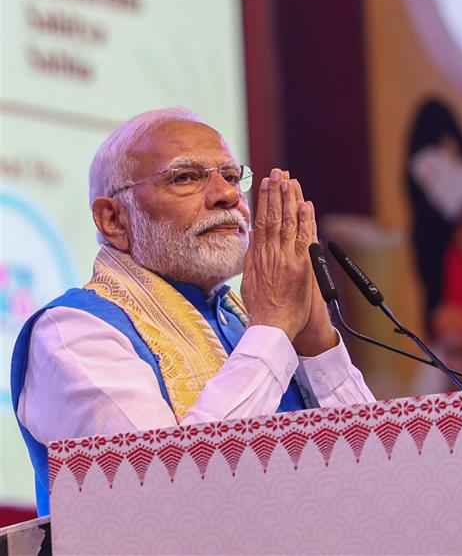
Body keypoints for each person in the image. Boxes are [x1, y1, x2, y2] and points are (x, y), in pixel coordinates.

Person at [11, 108, 374, 515]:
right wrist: (272, 329)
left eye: (232, 177)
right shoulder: (72, 332)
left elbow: (379, 478)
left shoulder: (242, 324)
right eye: (185, 177)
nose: (227, 195)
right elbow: (168, 493)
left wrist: (316, 342)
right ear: (113, 219)